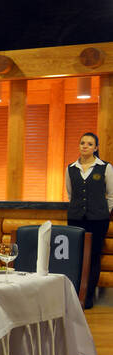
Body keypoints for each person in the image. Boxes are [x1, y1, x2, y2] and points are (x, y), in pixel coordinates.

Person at [64, 131, 111, 308]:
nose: (85, 146)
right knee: (76, 256)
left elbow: (111, 196)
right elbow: (70, 194)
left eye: (90, 144)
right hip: (76, 219)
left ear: (96, 148)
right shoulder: (71, 168)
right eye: (83, 143)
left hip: (98, 221)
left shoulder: (105, 167)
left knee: (93, 257)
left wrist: (102, 211)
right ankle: (76, 295)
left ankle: (89, 296)